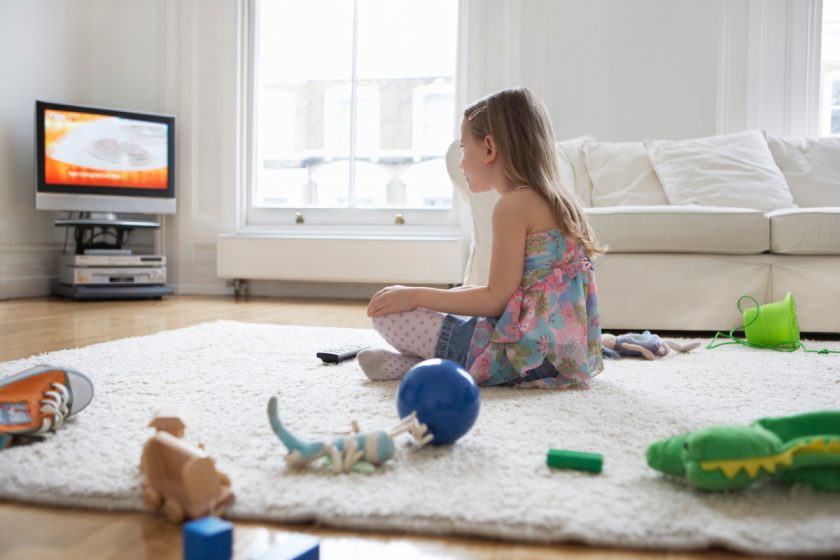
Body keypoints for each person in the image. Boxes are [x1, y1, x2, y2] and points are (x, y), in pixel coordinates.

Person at [358, 87, 605, 389]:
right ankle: (416, 367)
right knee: (455, 306)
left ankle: (437, 367)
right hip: (561, 354)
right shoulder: (560, 201)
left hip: (524, 358)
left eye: (463, 147)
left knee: (390, 319)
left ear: (489, 148)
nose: (460, 160)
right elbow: (515, 292)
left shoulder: (513, 207)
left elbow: (495, 299)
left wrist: (415, 295)